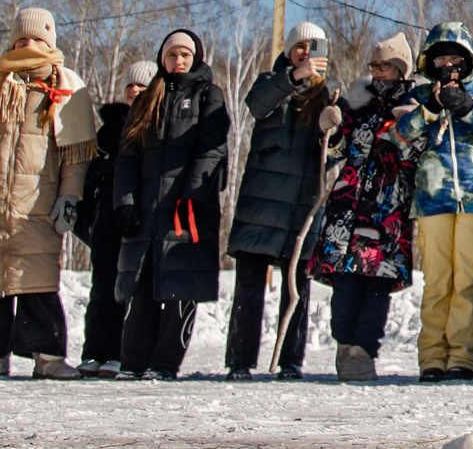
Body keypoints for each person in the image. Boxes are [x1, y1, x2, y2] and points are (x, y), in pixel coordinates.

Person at [0, 7, 96, 380]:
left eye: (36, 39)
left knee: (38, 282)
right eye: (21, 39)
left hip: (38, 204)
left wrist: (69, 197)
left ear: (49, 42)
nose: (28, 44)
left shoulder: (66, 88)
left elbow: (76, 155)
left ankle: (48, 357)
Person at [110, 29, 230, 380]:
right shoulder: (148, 98)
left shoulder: (209, 95)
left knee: (182, 285)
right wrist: (125, 203)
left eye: (185, 55)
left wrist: (194, 195)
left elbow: (212, 150)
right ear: (162, 59)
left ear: (196, 58)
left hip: (187, 210)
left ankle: (164, 363)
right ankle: (133, 362)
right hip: (147, 208)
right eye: (172, 55)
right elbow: (127, 157)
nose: (178, 61)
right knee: (142, 285)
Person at [398, 21, 473, 382]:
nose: (448, 65)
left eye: (455, 58)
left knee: (468, 280)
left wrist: (467, 108)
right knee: (436, 281)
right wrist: (431, 108)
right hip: (433, 199)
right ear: (429, 62)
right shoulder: (420, 94)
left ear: (468, 60)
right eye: (441, 59)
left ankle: (465, 357)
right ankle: (432, 357)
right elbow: (400, 135)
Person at [306, 32, 420, 383]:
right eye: (375, 64)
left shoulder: (416, 106)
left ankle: (363, 352)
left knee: (376, 287)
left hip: (386, 212)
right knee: (345, 286)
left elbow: (416, 159)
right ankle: (344, 345)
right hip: (348, 208)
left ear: (401, 69)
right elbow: (336, 152)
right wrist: (330, 129)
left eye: (386, 65)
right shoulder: (357, 104)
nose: (379, 71)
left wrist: (409, 127)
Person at [226, 23, 333, 381]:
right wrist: (293, 77)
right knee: (249, 285)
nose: (305, 53)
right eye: (299, 46)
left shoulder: (328, 93)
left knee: (296, 287)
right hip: (262, 202)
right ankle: (239, 361)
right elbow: (256, 105)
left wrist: (333, 129)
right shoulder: (270, 82)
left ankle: (291, 360)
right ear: (288, 50)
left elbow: (335, 150)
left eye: (312, 47)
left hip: (302, 205)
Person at [74, 61, 153, 377]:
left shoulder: (158, 127)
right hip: (107, 218)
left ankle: (122, 354)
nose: (135, 91)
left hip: (140, 218)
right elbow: (88, 172)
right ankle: (95, 352)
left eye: (142, 86)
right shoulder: (108, 129)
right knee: (103, 288)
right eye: (130, 86)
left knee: (132, 289)